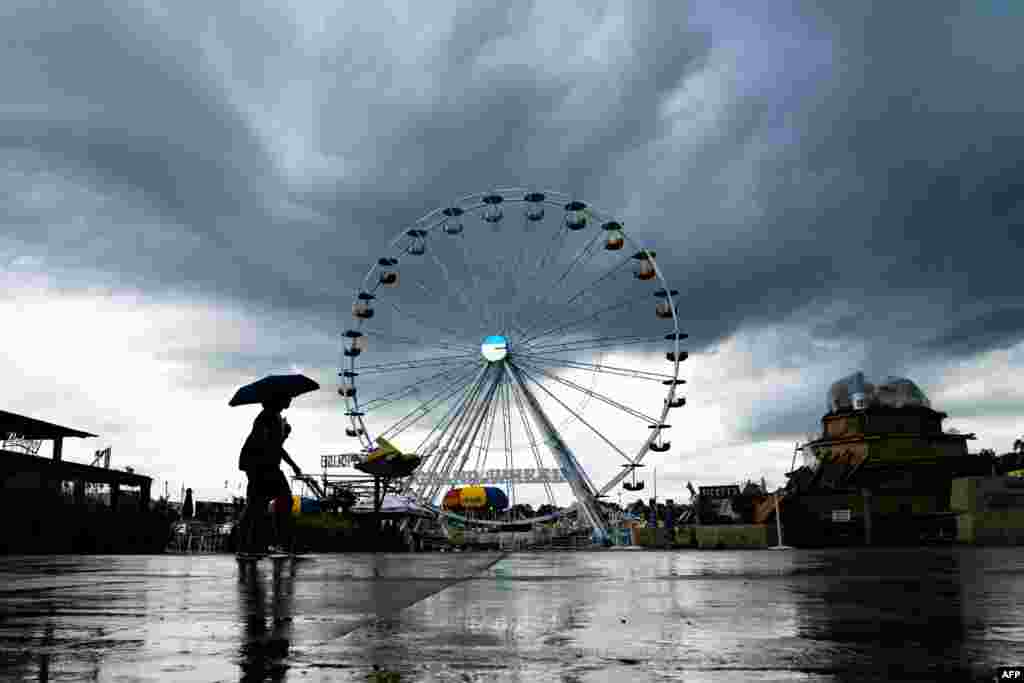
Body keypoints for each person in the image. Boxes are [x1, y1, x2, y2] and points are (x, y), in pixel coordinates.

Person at [237, 396, 303, 555]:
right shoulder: (266, 417)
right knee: (259, 504)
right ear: (278, 399)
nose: (290, 399)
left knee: (258, 505)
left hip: (264, 465)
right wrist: (293, 465)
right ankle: (271, 543)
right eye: (288, 397)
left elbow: (276, 446)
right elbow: (273, 445)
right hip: (260, 466)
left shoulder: (274, 416)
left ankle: (254, 545)